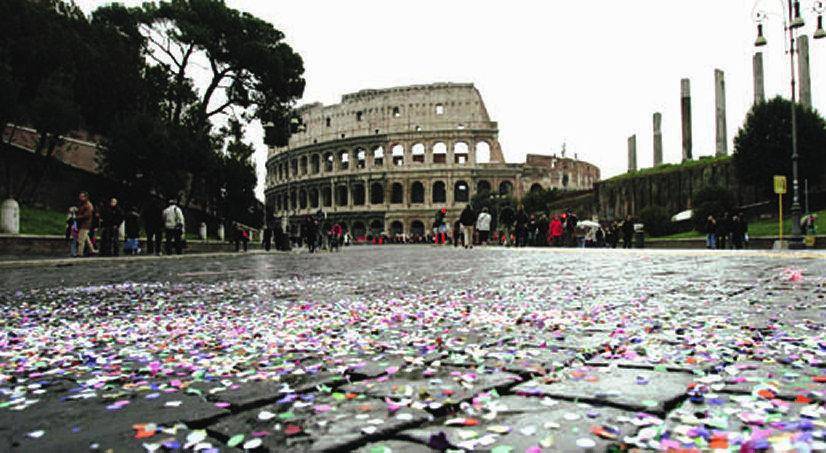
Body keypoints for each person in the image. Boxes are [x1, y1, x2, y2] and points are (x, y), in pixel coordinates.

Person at [76, 192, 97, 257]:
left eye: (82, 196)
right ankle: (92, 250)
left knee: (81, 239)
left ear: (85, 197)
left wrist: (77, 217)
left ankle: (80, 253)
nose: (80, 197)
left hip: (85, 224)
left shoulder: (88, 205)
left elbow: (88, 215)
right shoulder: (82, 204)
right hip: (82, 223)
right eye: (80, 196)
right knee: (86, 238)